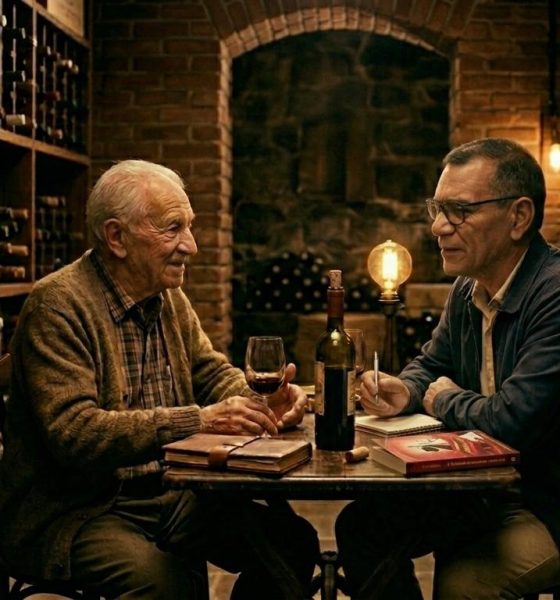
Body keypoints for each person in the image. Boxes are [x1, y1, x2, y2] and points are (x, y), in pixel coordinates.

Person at [0, 159, 319, 599]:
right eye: (173, 229)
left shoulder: (168, 297)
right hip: (78, 510)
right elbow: (75, 433)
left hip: (170, 492)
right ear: (117, 238)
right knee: (165, 585)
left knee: (291, 544)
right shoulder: (57, 306)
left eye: (190, 227)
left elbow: (210, 372)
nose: (191, 246)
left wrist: (261, 401)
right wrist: (199, 421)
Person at [336, 138, 560, 599]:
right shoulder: (467, 287)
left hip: (544, 504)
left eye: (459, 210)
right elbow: (432, 364)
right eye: (437, 209)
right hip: (478, 492)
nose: (438, 226)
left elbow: (512, 421)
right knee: (362, 528)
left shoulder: (554, 293)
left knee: (464, 586)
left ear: (518, 217)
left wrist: (443, 398)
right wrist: (405, 389)